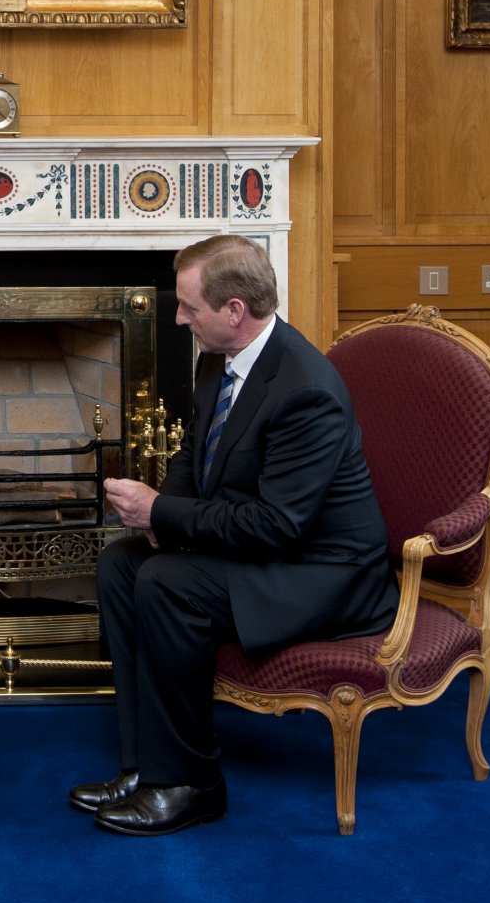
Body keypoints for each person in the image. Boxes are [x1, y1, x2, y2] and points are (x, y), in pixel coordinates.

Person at [70, 234, 399, 837]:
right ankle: (146, 767)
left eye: (188, 308)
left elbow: (279, 526)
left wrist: (163, 516)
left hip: (324, 572)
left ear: (234, 312)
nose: (178, 318)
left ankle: (191, 784)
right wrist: (159, 515)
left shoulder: (306, 391)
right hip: (266, 549)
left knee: (169, 583)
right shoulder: (218, 359)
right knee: (123, 564)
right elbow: (195, 455)